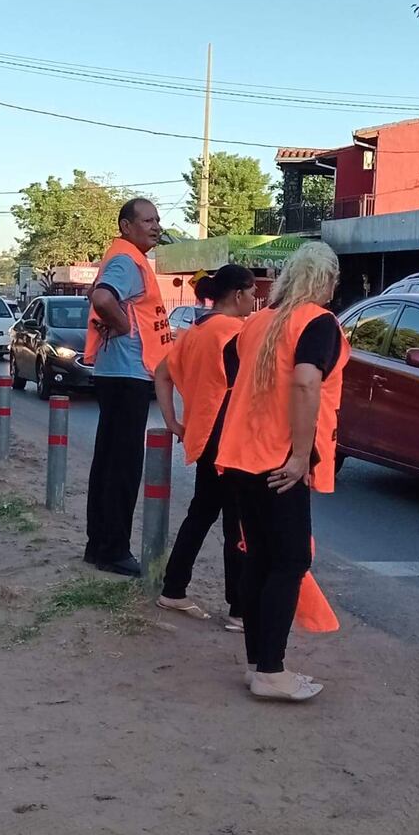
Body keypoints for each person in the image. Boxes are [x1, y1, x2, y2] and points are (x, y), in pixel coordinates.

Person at [217, 242, 350, 702]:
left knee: (261, 558)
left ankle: (259, 664)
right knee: (290, 560)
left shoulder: (257, 321)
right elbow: (306, 380)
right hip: (278, 461)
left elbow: (230, 363)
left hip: (239, 453)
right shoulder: (318, 322)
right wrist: (299, 455)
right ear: (326, 281)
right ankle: (271, 670)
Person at [154, 265, 256, 626]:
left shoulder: (194, 330)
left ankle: (174, 588)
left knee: (201, 515)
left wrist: (172, 421)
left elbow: (162, 374)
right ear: (238, 294)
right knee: (237, 523)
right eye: (252, 293)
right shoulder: (237, 333)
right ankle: (240, 609)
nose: (255, 300)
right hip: (230, 437)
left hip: (203, 434)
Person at [83, 198, 172, 576]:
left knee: (108, 462)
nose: (154, 226)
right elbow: (102, 298)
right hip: (127, 374)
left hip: (118, 373)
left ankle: (98, 545)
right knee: (122, 466)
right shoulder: (127, 261)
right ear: (126, 226)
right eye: (147, 220)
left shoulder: (129, 258)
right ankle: (114, 550)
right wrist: (120, 325)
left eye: (157, 220)